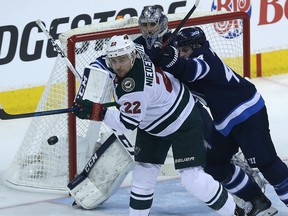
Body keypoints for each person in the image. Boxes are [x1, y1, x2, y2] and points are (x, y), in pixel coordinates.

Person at [72, 34, 245, 215]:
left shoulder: (133, 88)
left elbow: (126, 123)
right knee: (143, 173)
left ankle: (234, 211)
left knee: (192, 178)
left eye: (121, 60)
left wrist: (98, 112)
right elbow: (107, 65)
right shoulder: (138, 52)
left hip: (183, 119)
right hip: (154, 122)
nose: (117, 66)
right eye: (113, 61)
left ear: (132, 56)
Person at [149, 26, 288, 216]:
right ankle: (258, 201)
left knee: (267, 163)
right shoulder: (193, 57)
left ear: (197, 46)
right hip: (225, 122)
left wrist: (168, 59)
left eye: (185, 51)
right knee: (213, 163)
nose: (181, 55)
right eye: (179, 51)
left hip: (246, 112)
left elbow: (189, 71)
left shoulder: (205, 57)